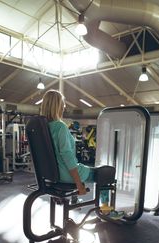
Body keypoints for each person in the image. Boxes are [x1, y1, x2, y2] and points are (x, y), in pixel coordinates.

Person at [40, 89, 123, 218]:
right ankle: (106, 211)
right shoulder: (60, 127)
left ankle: (98, 208)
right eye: (63, 104)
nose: (64, 107)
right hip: (66, 175)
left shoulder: (43, 128)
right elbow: (67, 156)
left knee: (94, 170)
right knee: (106, 173)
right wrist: (79, 184)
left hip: (51, 175)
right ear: (57, 106)